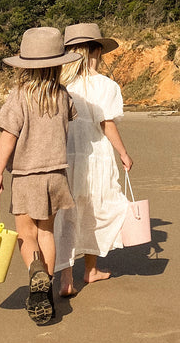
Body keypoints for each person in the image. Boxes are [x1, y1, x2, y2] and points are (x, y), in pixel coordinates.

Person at [0, 26, 81, 324]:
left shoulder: (19, 96)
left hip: (26, 176)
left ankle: (35, 274)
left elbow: (8, 136)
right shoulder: (63, 95)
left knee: (26, 234)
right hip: (56, 175)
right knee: (46, 233)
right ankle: (48, 288)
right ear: (57, 64)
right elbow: (70, 119)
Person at [54, 23, 133, 297]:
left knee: (67, 213)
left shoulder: (60, 84)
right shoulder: (106, 86)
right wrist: (123, 153)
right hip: (96, 154)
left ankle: (66, 277)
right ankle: (90, 270)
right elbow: (106, 123)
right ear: (97, 50)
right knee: (96, 208)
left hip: (65, 154)